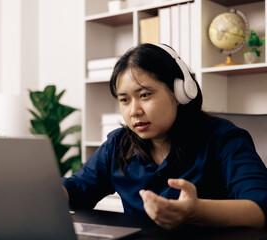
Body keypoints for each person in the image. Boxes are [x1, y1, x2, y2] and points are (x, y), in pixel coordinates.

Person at [63, 43, 267, 230]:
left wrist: (197, 211)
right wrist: (49, 192)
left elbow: (261, 207)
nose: (134, 111)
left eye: (144, 95)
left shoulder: (223, 139)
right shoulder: (118, 144)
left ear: (180, 92)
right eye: (124, 100)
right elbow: (78, 189)